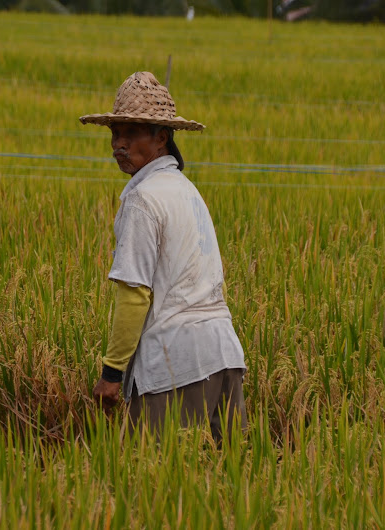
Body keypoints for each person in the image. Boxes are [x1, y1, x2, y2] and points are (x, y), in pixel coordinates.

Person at [80, 71, 247, 442]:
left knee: (150, 486)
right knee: (229, 484)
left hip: (176, 364)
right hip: (224, 356)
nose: (118, 145)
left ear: (161, 138)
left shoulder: (143, 199)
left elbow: (135, 294)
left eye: (132, 133)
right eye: (115, 133)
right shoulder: (186, 190)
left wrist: (111, 375)